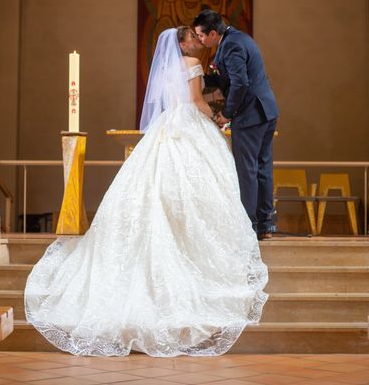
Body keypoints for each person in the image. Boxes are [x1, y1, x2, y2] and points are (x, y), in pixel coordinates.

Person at [24, 27, 268, 357]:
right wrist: (218, 119)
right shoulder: (192, 63)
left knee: (154, 189)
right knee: (198, 188)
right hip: (189, 128)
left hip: (165, 128)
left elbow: (176, 100)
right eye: (192, 39)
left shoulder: (165, 69)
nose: (196, 43)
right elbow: (195, 101)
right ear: (183, 43)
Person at [193, 9, 279, 240]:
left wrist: (228, 114)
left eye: (201, 36)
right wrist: (201, 79)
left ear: (212, 33)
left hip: (250, 114)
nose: (200, 40)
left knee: (247, 169)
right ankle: (265, 224)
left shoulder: (230, 45)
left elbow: (240, 83)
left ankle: (248, 226)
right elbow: (232, 78)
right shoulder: (240, 38)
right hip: (266, 109)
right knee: (262, 167)